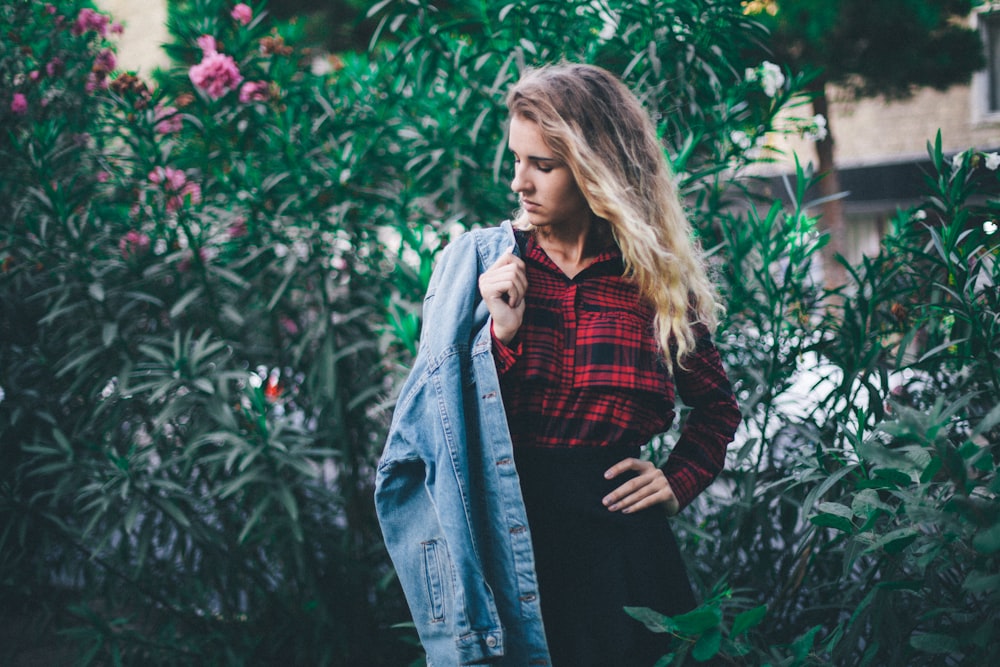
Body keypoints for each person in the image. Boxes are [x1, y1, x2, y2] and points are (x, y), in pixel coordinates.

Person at [374, 62, 739, 667]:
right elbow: (440, 430)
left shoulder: (655, 287)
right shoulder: (483, 271)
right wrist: (502, 332)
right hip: (509, 540)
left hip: (622, 553)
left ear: (599, 172)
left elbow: (718, 405)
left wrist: (678, 480)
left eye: (542, 165)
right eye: (516, 160)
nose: (520, 182)